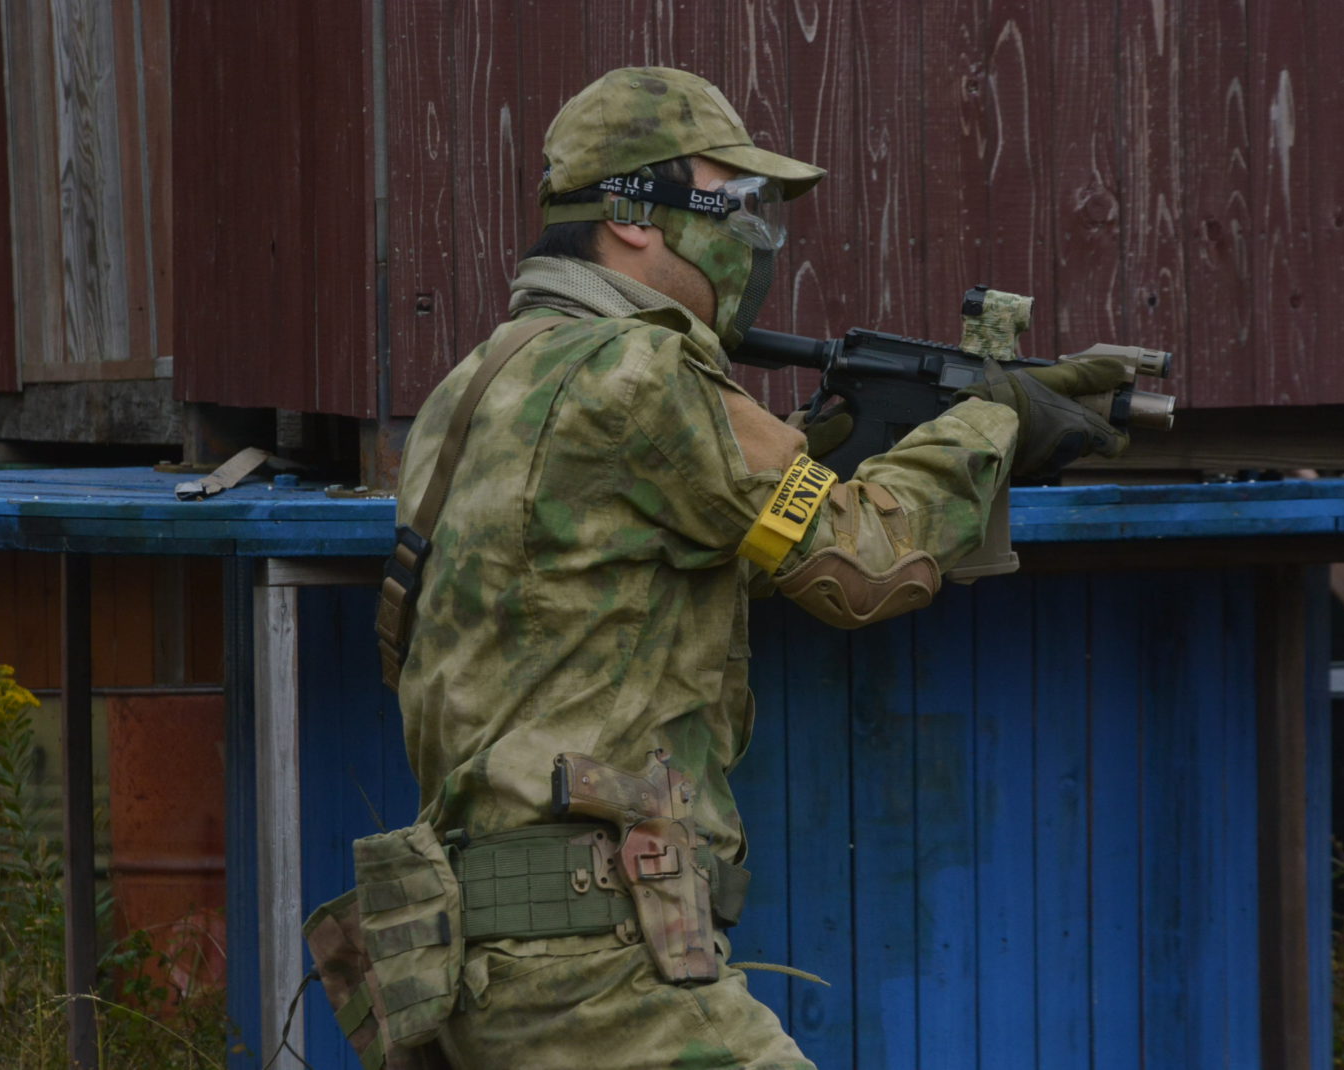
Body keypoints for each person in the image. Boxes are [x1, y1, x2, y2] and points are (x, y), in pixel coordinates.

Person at [387, 66, 1127, 1069]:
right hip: (594, 973)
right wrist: (992, 422)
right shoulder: (639, 371)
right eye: (731, 201)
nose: (752, 235)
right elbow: (864, 564)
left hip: (470, 962)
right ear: (630, 216)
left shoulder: (475, 384)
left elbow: (635, 563)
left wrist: (828, 447)